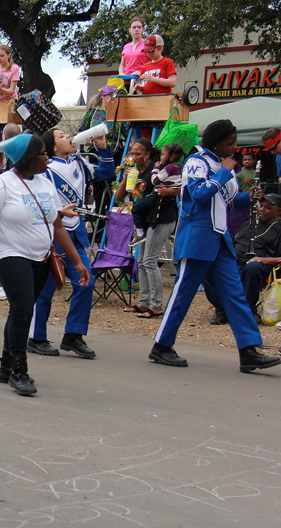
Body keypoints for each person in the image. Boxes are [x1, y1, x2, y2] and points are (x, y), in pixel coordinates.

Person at [149, 119, 280, 372]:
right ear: (216, 143)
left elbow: (226, 202)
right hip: (198, 237)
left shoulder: (221, 166)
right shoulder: (196, 162)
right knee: (183, 293)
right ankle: (161, 345)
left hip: (219, 239)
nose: (234, 147)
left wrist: (248, 197)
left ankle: (249, 350)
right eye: (230, 143)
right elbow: (198, 195)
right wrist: (223, 173)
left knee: (235, 295)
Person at [0, 134, 90, 396]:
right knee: (23, 309)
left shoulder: (46, 183)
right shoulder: (1, 185)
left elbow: (57, 225)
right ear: (27, 158)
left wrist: (76, 260)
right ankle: (19, 370)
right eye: (41, 153)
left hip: (41, 257)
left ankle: (6, 366)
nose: (46, 156)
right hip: (9, 254)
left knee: (20, 311)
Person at [28, 128, 113, 357]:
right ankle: (36, 337)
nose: (69, 137)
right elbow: (36, 200)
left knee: (86, 282)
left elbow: (106, 172)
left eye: (68, 134)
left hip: (75, 237)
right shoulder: (45, 170)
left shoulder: (81, 164)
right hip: (52, 237)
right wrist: (59, 212)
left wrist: (103, 147)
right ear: (53, 147)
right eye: (61, 136)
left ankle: (73, 335)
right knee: (45, 289)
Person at [119, 140, 178, 319]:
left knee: (150, 260)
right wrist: (125, 177)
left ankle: (157, 305)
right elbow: (120, 197)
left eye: (138, 154)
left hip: (161, 218)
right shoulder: (135, 172)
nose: (133, 157)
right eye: (131, 154)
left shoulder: (157, 170)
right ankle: (144, 303)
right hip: (144, 223)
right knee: (142, 261)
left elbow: (175, 189)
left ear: (147, 154)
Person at [204, 193, 281, 323]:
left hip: (262, 265)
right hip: (235, 261)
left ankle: (245, 312)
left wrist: (265, 260)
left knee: (252, 268)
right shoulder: (249, 224)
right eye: (261, 205)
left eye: (268, 207)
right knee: (206, 264)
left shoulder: (278, 229)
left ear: (279, 211)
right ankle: (223, 309)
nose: (262, 209)